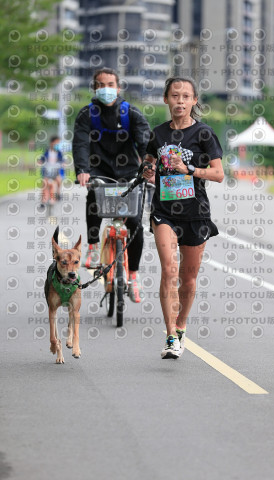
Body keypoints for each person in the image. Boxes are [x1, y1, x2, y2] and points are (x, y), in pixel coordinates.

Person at [143, 76, 224, 358]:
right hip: (164, 211)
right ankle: (169, 337)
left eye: (185, 96)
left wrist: (189, 170)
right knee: (169, 270)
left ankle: (181, 325)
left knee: (187, 280)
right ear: (166, 99)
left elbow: (219, 174)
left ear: (194, 101)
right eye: (174, 96)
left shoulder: (204, 134)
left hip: (195, 213)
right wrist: (147, 170)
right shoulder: (157, 134)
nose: (180, 101)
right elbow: (149, 161)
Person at [72, 67, 151, 303]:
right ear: (95, 88)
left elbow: (145, 142)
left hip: (128, 171)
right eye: (100, 84)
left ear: (118, 87)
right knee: (94, 198)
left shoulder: (131, 113)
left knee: (135, 221)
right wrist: (83, 170)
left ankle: (134, 276)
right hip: (99, 169)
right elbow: (80, 143)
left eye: (110, 84)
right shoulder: (87, 114)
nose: (106, 89)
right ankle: (94, 245)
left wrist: (149, 168)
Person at [40, 135, 64, 206]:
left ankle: (58, 193)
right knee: (45, 183)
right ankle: (43, 201)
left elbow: (62, 161)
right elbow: (42, 159)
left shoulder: (59, 153)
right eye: (56, 143)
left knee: (58, 180)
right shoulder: (47, 151)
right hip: (47, 171)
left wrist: (62, 164)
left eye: (58, 143)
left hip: (56, 171)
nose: (57, 144)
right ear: (52, 143)